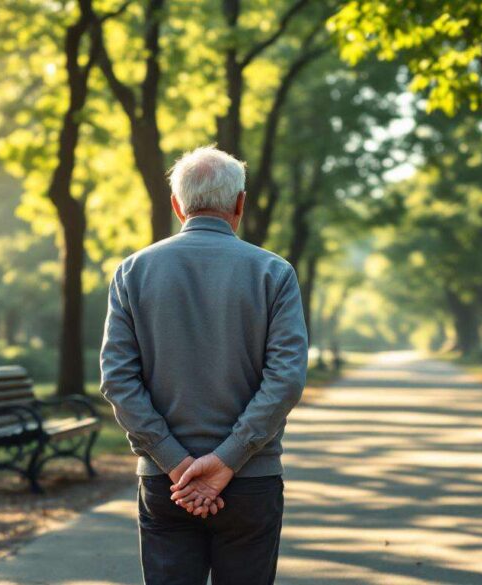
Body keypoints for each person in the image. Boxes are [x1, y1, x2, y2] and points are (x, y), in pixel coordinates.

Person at [99, 145, 309, 585]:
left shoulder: (132, 272)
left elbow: (118, 379)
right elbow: (285, 379)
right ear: (240, 204)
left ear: (177, 205)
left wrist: (175, 463)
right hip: (251, 480)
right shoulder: (275, 273)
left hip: (166, 483)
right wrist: (228, 460)